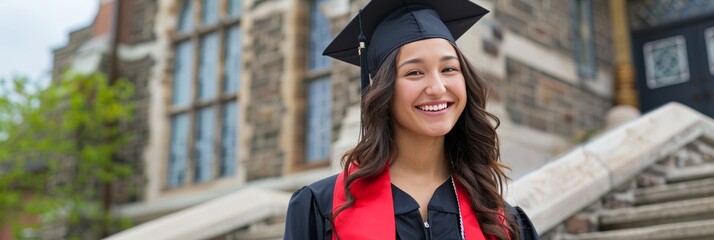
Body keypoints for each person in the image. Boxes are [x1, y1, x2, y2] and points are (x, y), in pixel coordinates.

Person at [285, 0, 539, 239]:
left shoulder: (502, 221)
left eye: (449, 69)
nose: (437, 88)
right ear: (383, 91)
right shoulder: (322, 209)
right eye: (415, 72)